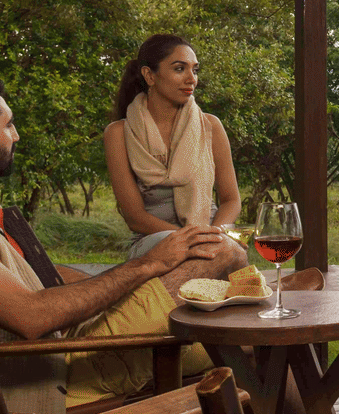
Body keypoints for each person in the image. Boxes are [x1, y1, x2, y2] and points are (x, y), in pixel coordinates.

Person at [0, 70, 247, 414]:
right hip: (56, 377)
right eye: (8, 125)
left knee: (251, 341)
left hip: (68, 347)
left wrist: (131, 282)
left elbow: (38, 278)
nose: (15, 136)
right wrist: (149, 264)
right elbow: (29, 317)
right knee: (222, 254)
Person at [103, 35, 243, 259]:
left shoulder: (211, 126)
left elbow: (231, 200)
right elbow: (134, 217)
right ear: (150, 75)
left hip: (212, 235)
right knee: (185, 255)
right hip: (155, 241)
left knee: (228, 251)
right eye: (180, 69)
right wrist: (189, 241)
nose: (192, 79)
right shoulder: (118, 133)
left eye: (195, 70)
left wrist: (213, 235)